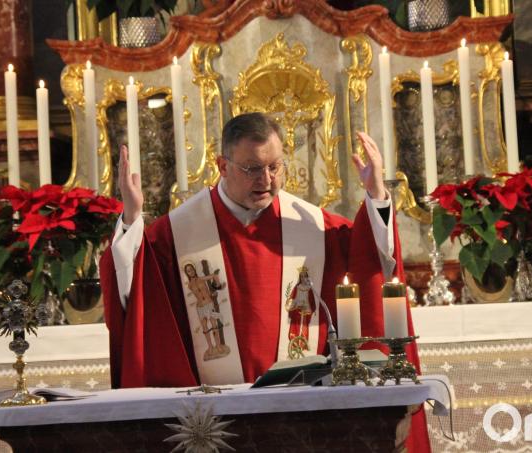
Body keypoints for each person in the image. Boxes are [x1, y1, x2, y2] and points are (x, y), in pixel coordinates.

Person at [100, 112, 430, 451]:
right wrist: (131, 217)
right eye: (252, 169)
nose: (267, 179)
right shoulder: (176, 234)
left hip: (302, 416)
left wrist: (377, 196)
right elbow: (135, 289)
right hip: (211, 421)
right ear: (222, 165)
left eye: (275, 167)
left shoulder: (312, 226)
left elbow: (367, 259)